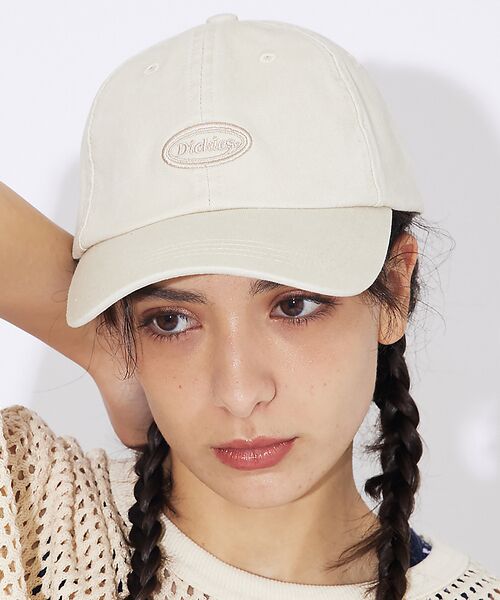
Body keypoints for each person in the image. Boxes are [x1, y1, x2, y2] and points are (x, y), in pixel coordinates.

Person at [0, 13, 498, 600]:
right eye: (171, 320)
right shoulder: (31, 513)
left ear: (394, 286)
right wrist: (104, 344)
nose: (238, 393)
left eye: (294, 305)